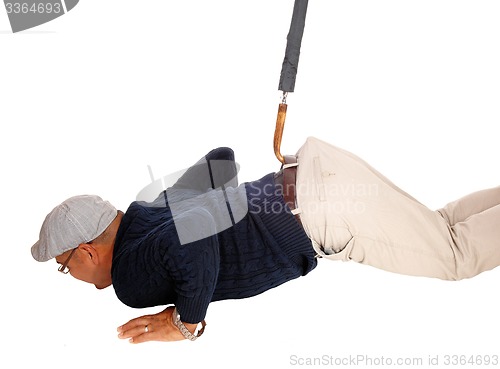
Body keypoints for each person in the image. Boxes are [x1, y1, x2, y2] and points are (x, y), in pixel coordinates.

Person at [31, 136, 500, 344]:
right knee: (443, 229)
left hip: (321, 211)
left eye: (64, 264)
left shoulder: (129, 280)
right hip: (309, 174)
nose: (69, 273)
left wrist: (186, 322)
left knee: (456, 255)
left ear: (88, 251)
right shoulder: (148, 209)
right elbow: (224, 159)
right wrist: (192, 202)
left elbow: (187, 246)